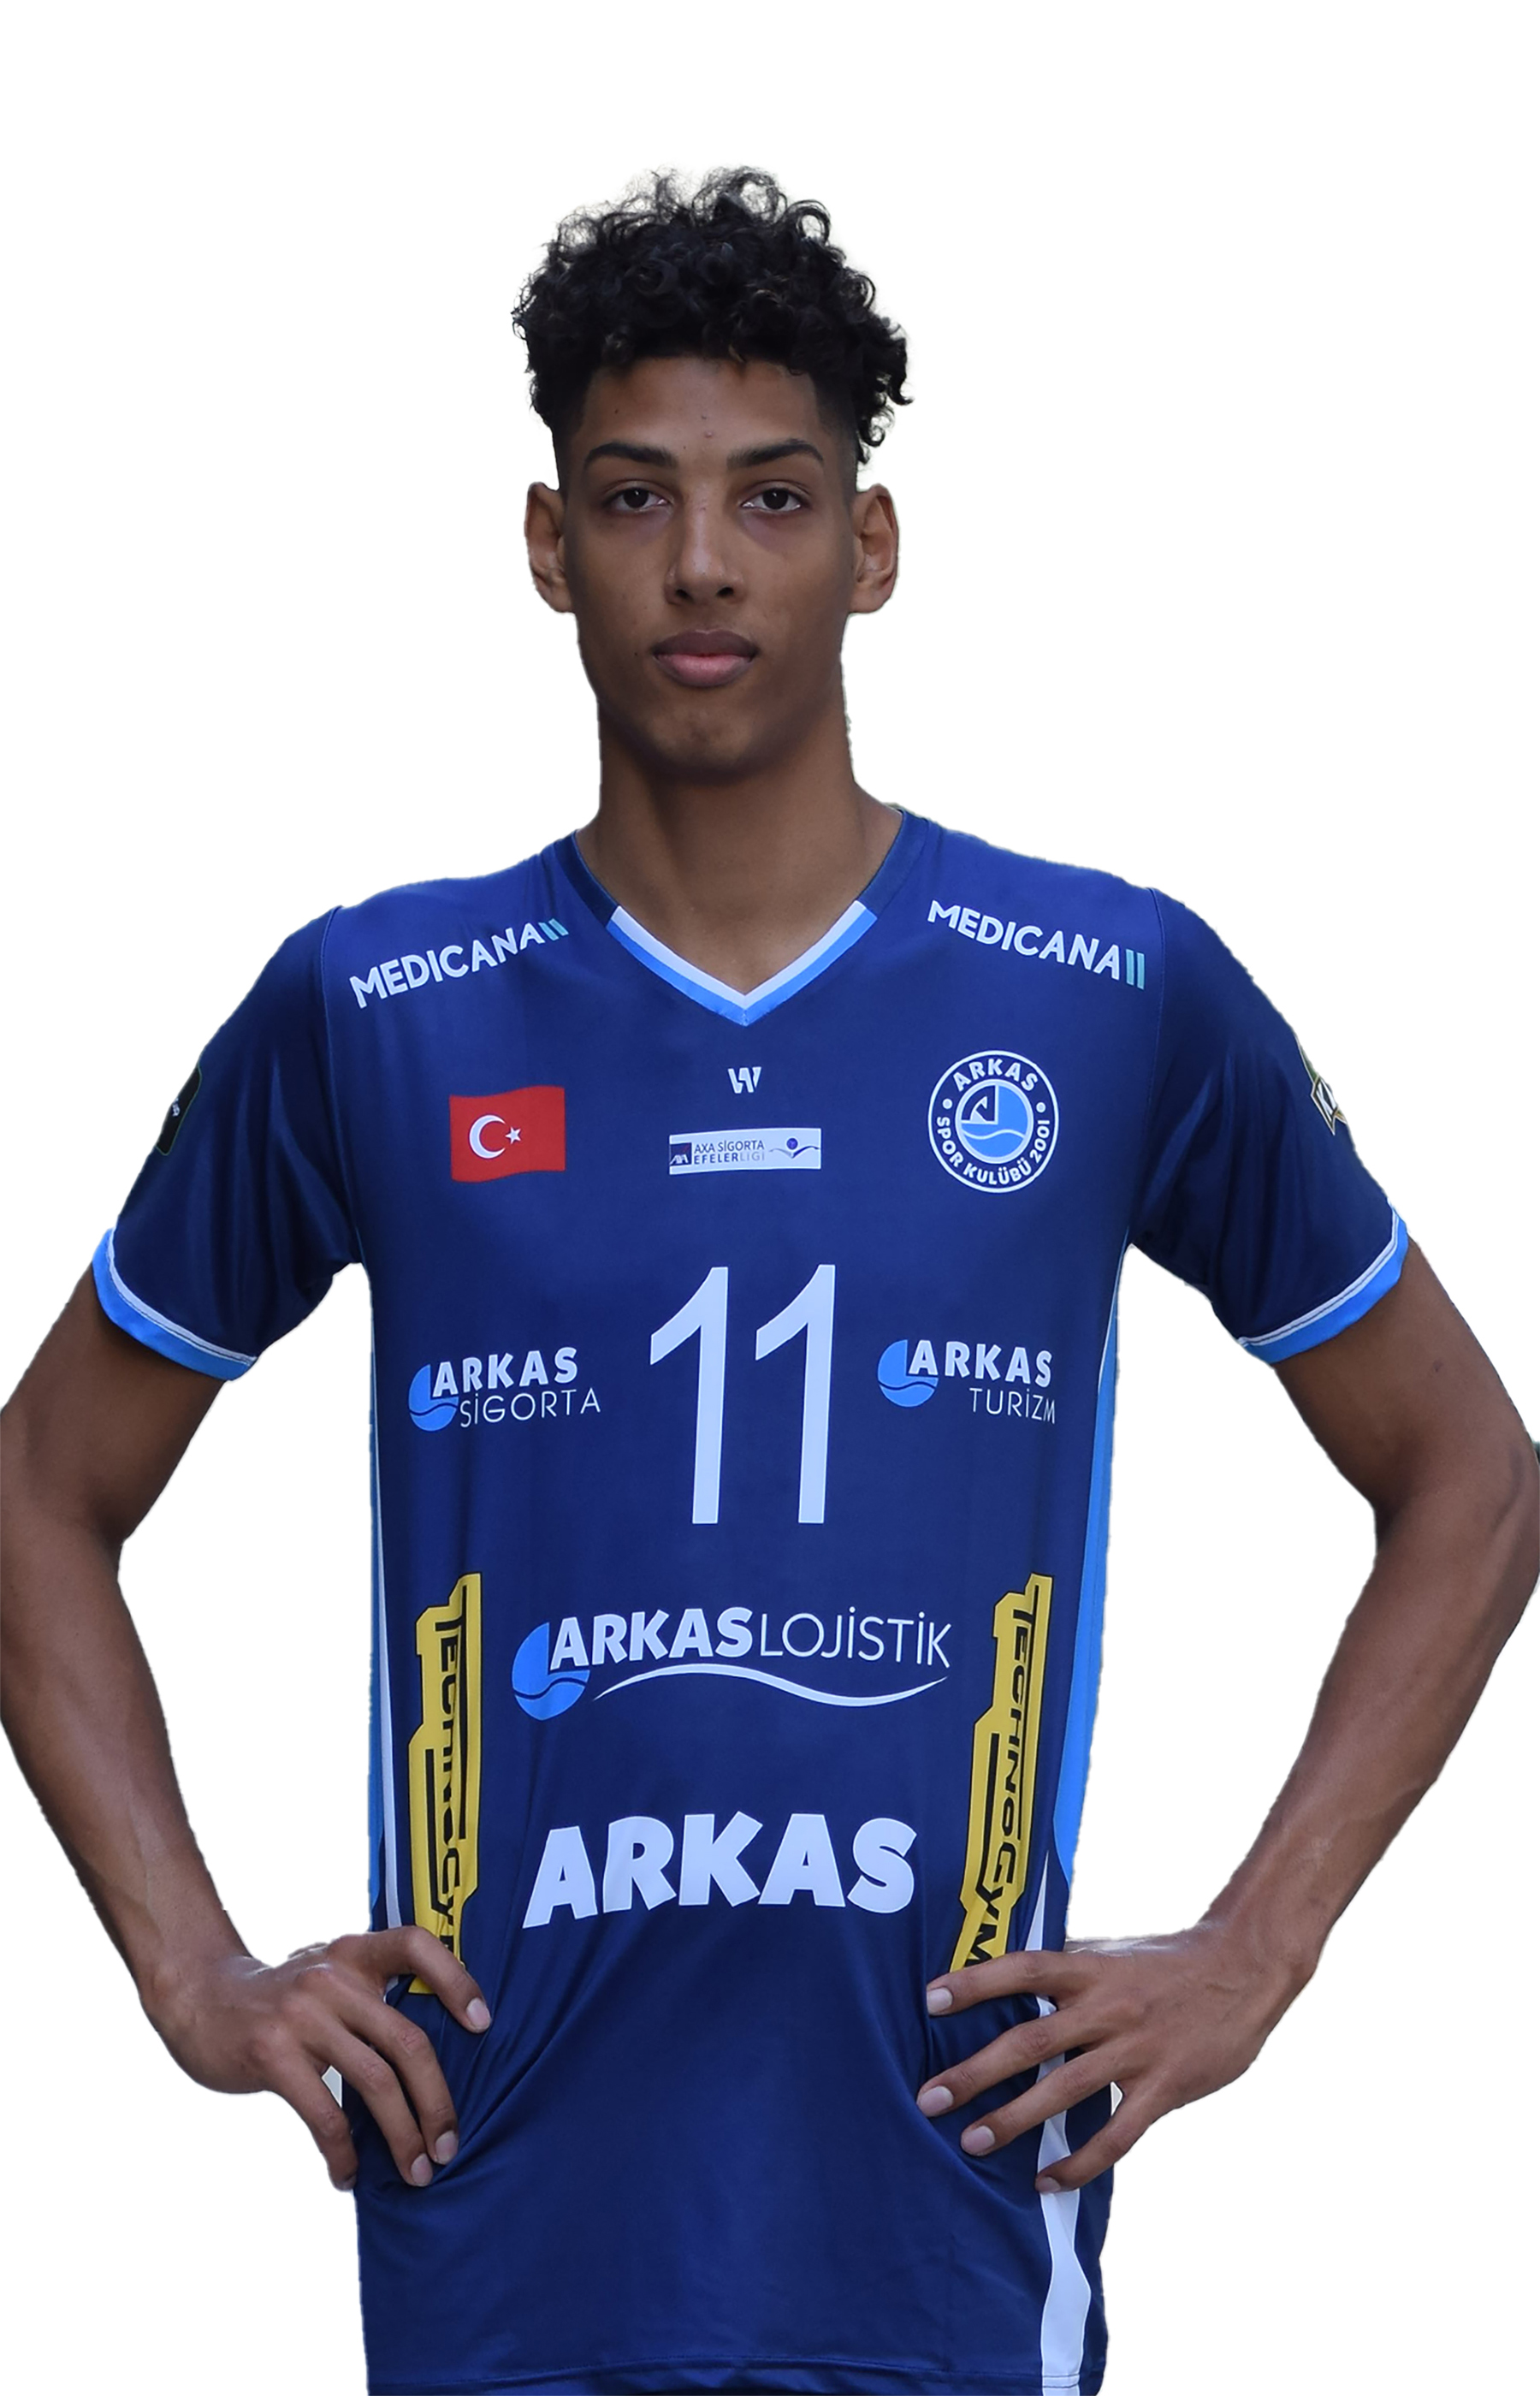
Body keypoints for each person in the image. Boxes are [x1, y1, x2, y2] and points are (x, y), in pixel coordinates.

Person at [2, 168, 1534, 2396]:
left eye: (774, 497)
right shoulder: (379, 1008)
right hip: (498, 2213)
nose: (703, 563)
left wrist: (1256, 1949)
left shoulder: (1104, 988)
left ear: (871, 547)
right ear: (549, 546)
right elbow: (41, 1486)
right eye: (636, 497)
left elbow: (1470, 1472)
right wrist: (195, 1974)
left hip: (943, 2222)